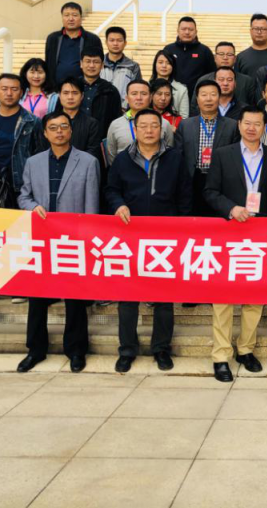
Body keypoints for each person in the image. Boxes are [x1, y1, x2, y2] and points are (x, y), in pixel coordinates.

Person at [105, 109, 192, 373]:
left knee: (164, 297)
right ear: (135, 129)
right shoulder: (122, 159)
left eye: (154, 125)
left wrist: (181, 229)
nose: (149, 130)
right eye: (143, 126)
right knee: (127, 296)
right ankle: (127, 349)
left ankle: (161, 349)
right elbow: (111, 190)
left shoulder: (175, 158)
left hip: (165, 238)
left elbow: (185, 196)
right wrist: (118, 205)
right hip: (130, 236)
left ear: (162, 129)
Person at [204, 107, 267, 382]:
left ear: (264, 127)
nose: (252, 128)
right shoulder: (222, 154)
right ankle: (221, 356)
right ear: (239, 125)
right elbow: (210, 191)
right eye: (247, 123)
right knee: (223, 298)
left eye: (257, 124)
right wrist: (231, 208)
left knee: (254, 296)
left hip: (260, 235)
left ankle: (246, 349)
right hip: (228, 234)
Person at [16, 110, 100, 374]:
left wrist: (88, 239)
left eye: (64, 126)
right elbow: (23, 196)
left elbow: (92, 204)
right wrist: (32, 207)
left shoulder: (88, 162)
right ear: (45, 133)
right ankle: (35, 349)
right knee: (37, 297)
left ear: (71, 130)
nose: (59, 131)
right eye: (53, 128)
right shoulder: (34, 162)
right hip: (42, 238)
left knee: (74, 297)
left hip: (73, 238)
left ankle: (76, 350)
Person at [175, 79, 240, 216]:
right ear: (197, 99)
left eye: (213, 94)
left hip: (220, 182)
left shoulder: (232, 125)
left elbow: (235, 157)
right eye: (204, 95)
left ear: (219, 98)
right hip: (193, 180)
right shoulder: (185, 125)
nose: (208, 99)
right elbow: (179, 156)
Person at [0, 73, 40, 208]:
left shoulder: (33, 122)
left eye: (14, 89)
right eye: (4, 89)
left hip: (21, 186)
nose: (9, 93)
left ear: (21, 93)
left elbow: (39, 154)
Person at [105, 79, 176, 165]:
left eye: (144, 94)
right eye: (134, 94)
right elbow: (112, 157)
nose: (139, 98)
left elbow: (169, 154)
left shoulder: (164, 123)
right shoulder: (116, 125)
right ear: (127, 98)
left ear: (150, 98)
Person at [36, 77, 103, 162]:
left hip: (81, 168)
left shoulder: (91, 124)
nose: (70, 97)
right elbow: (41, 150)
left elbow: (92, 153)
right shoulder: (47, 121)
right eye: (66, 93)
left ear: (82, 96)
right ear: (59, 95)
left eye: (75, 93)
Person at [45, 1, 103, 89]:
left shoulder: (92, 39)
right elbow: (48, 63)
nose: (71, 19)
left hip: (84, 89)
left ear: (81, 17)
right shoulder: (53, 38)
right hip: (56, 89)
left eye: (75, 15)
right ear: (62, 18)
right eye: (66, 15)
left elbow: (98, 64)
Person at [193, 41, 258, 113]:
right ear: (215, 57)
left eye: (229, 55)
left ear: (235, 59)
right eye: (221, 54)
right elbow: (194, 107)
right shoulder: (203, 80)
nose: (225, 58)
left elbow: (253, 107)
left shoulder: (247, 81)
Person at [78, 48, 122, 142]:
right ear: (81, 64)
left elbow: (117, 120)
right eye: (88, 61)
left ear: (102, 65)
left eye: (96, 62)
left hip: (100, 141)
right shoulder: (71, 88)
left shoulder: (110, 90)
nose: (91, 65)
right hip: (74, 138)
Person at [162, 15, 216, 92]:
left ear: (196, 32)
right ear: (177, 31)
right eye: (183, 29)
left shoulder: (205, 51)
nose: (187, 32)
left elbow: (211, 75)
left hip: (197, 95)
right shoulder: (169, 49)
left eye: (190, 29)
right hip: (172, 94)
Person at [101, 26, 142, 100]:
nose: (115, 43)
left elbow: (136, 90)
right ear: (106, 42)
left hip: (123, 106)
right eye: (112, 40)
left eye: (119, 40)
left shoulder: (133, 66)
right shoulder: (98, 63)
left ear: (125, 43)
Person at [148, 49, 191, 118]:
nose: (164, 66)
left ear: (173, 66)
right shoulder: (146, 86)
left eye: (168, 63)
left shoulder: (181, 89)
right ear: (155, 64)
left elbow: (184, 117)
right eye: (160, 62)